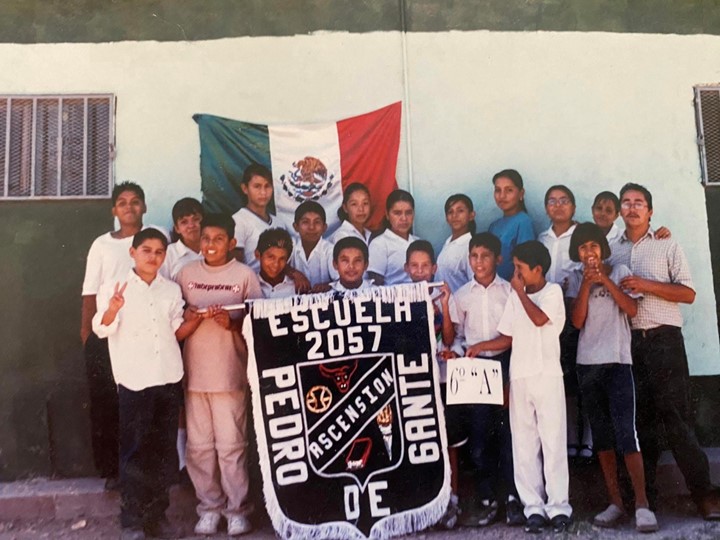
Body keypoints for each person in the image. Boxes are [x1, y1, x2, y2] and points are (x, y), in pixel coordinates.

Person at [611, 183, 720, 520]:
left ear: (650, 211)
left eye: (639, 203)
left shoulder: (666, 243)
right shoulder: (611, 250)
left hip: (665, 341)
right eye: (626, 203)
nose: (632, 208)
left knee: (677, 420)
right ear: (619, 210)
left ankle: (706, 496)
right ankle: (646, 503)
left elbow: (688, 294)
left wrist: (645, 285)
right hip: (628, 345)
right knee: (639, 423)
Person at [92, 228, 196, 540]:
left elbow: (177, 330)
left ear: (165, 256)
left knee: (163, 451)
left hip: (167, 376)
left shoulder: (170, 290)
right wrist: (112, 308)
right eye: (146, 250)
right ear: (133, 253)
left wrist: (199, 318)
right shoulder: (114, 287)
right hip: (134, 380)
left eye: (159, 252)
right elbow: (101, 328)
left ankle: (157, 517)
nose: (153, 257)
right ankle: (132, 521)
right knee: (135, 452)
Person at [566, 222, 658, 532]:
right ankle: (616, 503)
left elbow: (631, 309)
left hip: (618, 362)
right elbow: (577, 322)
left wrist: (604, 277)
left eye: (593, 245)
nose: (588, 252)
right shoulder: (575, 278)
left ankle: (642, 504)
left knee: (626, 433)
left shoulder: (618, 271)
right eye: (582, 247)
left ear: (602, 248)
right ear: (576, 253)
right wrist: (586, 286)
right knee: (602, 438)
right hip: (588, 364)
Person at [176, 214, 263, 536]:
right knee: (199, 448)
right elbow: (173, 321)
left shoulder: (243, 276)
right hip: (194, 377)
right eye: (206, 238)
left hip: (230, 375)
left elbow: (260, 325)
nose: (211, 244)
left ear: (232, 243)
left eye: (218, 239)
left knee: (232, 447)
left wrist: (235, 324)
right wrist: (191, 319)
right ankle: (209, 508)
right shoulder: (185, 274)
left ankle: (237, 510)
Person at [495, 241, 572, 534]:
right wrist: (476, 348)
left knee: (552, 442)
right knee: (524, 445)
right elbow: (507, 336)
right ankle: (534, 507)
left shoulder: (552, 293)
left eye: (520, 269)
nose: (515, 274)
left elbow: (539, 319)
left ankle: (559, 507)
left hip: (548, 375)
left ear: (538, 269)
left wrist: (518, 292)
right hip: (520, 377)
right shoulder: (518, 296)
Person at [449, 232, 524, 528]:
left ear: (498, 259)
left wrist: (485, 348)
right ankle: (486, 499)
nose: (479, 262)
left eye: (485, 256)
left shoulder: (509, 292)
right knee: (480, 438)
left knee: (508, 437)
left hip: (504, 365)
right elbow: (458, 338)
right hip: (475, 370)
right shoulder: (462, 295)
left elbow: (514, 336)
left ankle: (513, 499)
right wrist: (456, 354)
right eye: (474, 256)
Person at [81, 181, 150, 489]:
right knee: (107, 401)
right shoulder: (102, 245)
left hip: (144, 333)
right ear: (114, 210)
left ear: (144, 207)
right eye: (122, 202)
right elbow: (90, 291)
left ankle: (144, 468)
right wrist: (87, 332)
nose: (129, 207)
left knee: (142, 399)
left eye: (135, 202)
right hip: (106, 330)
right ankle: (112, 471)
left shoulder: (155, 239)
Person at [403, 240, 463, 528]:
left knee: (449, 439)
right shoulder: (397, 297)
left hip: (440, 377)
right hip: (412, 379)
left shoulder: (442, 295)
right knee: (419, 439)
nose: (419, 270)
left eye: (425, 265)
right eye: (414, 266)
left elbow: (450, 339)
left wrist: (445, 306)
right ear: (406, 269)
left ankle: (452, 498)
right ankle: (422, 500)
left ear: (434, 268)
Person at [538, 185, 588, 459]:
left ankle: (588, 439)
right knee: (562, 379)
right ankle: (570, 439)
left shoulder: (581, 235)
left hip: (576, 313)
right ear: (546, 207)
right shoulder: (542, 238)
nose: (558, 206)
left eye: (564, 200)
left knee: (583, 376)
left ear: (573, 206)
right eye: (552, 201)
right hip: (549, 317)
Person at [231, 163, 291, 273]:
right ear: (245, 188)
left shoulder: (279, 223)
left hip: (277, 285)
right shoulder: (238, 220)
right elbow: (235, 266)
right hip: (252, 285)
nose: (263, 192)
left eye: (267, 186)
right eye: (257, 186)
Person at [488, 169, 535, 281]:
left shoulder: (523, 222)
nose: (502, 196)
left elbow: (525, 263)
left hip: (512, 290)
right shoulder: (494, 226)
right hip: (492, 289)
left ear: (521, 193)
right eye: (498, 190)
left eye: (509, 190)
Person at [368, 189, 419, 286]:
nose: (404, 218)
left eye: (408, 213)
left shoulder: (418, 242)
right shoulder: (380, 244)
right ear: (387, 215)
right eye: (397, 213)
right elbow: (375, 286)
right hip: (392, 300)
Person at [290, 200, 336, 291]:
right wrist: (295, 273)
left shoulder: (330, 250)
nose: (311, 227)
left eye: (317, 222)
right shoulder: (291, 246)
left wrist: (328, 286)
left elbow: (341, 281)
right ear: (296, 227)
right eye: (305, 222)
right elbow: (280, 265)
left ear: (324, 227)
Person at [435, 194, 476, 293]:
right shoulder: (448, 242)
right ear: (446, 218)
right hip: (441, 305)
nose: (454, 216)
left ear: (471, 215)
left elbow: (474, 284)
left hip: (459, 306)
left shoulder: (470, 246)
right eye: (450, 212)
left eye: (460, 211)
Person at [160, 197, 204, 280]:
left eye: (196, 219)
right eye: (184, 222)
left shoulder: (213, 249)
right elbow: (162, 284)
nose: (191, 225)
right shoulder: (169, 253)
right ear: (177, 228)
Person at [256, 228, 296, 299]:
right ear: (258, 255)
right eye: (271, 257)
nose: (276, 265)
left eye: (282, 259)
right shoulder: (250, 284)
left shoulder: (295, 287)